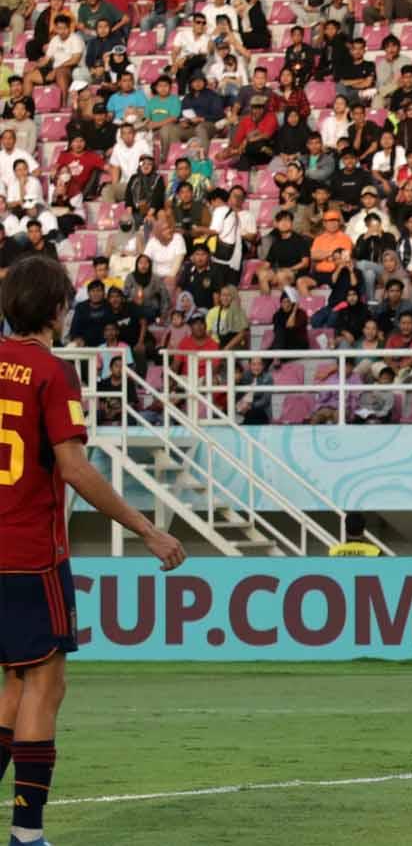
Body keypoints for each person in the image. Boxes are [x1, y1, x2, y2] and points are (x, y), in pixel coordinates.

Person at [0, 256, 185, 846]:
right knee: (46, 683)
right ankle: (27, 834)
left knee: (15, 684)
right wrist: (148, 530)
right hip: (30, 552)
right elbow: (75, 469)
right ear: (58, 310)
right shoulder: (51, 373)